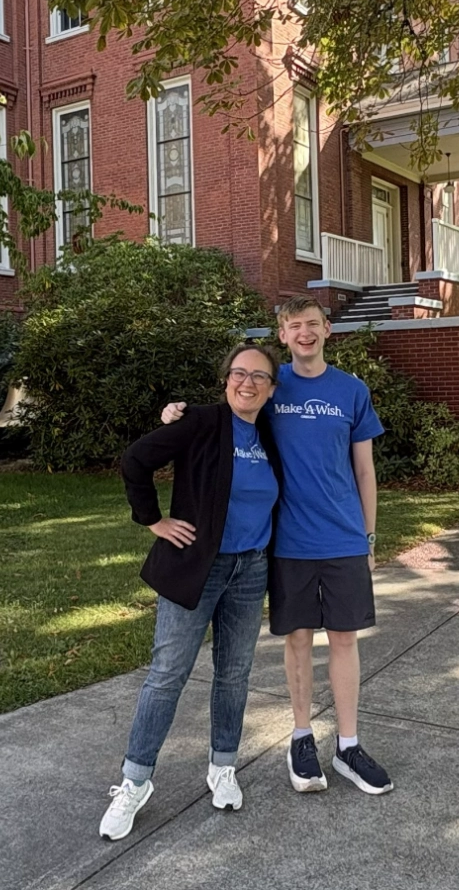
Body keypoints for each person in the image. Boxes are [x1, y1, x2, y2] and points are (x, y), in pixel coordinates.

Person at [163, 296, 393, 796]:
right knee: (298, 640)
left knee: (345, 640)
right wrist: (177, 413)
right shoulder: (269, 385)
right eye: (294, 326)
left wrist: (369, 537)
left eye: (312, 324)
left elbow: (365, 470)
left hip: (344, 537)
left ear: (327, 329)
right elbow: (226, 414)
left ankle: (348, 745)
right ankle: (302, 738)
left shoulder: (352, 390)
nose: (304, 333)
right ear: (282, 335)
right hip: (287, 540)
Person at [99, 344, 284, 842]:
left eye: (259, 377)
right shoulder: (201, 421)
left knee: (234, 674)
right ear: (226, 379)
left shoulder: (272, 432)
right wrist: (153, 521)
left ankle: (223, 767)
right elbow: (136, 460)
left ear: (272, 389)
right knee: (167, 675)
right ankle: (135, 782)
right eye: (239, 373)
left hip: (251, 570)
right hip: (197, 567)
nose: (247, 383)